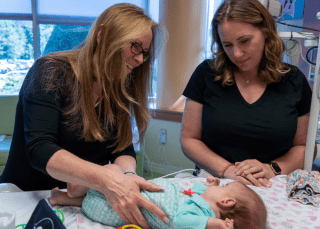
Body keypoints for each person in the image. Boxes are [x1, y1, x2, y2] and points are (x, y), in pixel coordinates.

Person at [0, 3, 169, 229]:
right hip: (28, 196)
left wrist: (127, 175)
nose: (139, 59)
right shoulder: (50, 71)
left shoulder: (118, 87)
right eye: (135, 46)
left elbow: (123, 149)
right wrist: (107, 178)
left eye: (145, 53)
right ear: (102, 35)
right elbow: (40, 148)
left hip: (82, 201)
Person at [180, 0, 313, 188]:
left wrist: (272, 168)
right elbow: (189, 139)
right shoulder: (207, 74)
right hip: (215, 181)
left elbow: (304, 147)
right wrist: (227, 170)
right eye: (227, 45)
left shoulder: (294, 81)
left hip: (271, 184)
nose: (237, 54)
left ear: (265, 32)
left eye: (244, 41)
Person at [49, 168, 267, 229]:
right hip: (123, 199)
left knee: (111, 172)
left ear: (226, 202)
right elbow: (191, 193)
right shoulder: (199, 203)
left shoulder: (200, 217)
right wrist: (207, 185)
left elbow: (182, 221)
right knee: (102, 194)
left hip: (113, 208)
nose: (222, 185)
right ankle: (62, 199)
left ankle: (77, 186)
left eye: (226, 187)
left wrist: (216, 225)